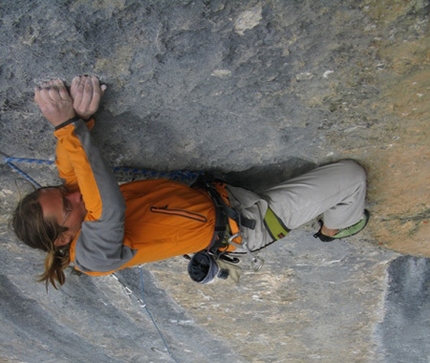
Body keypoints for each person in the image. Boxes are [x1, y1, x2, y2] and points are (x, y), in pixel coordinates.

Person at [12, 75, 369, 288]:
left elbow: (73, 176)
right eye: (66, 205)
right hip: (251, 224)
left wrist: (79, 125)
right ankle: (336, 229)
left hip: (223, 197)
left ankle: (332, 221)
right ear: (62, 237)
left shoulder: (75, 205)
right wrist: (67, 126)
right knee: (351, 176)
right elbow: (108, 211)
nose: (72, 194)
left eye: (60, 192)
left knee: (341, 181)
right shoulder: (92, 258)